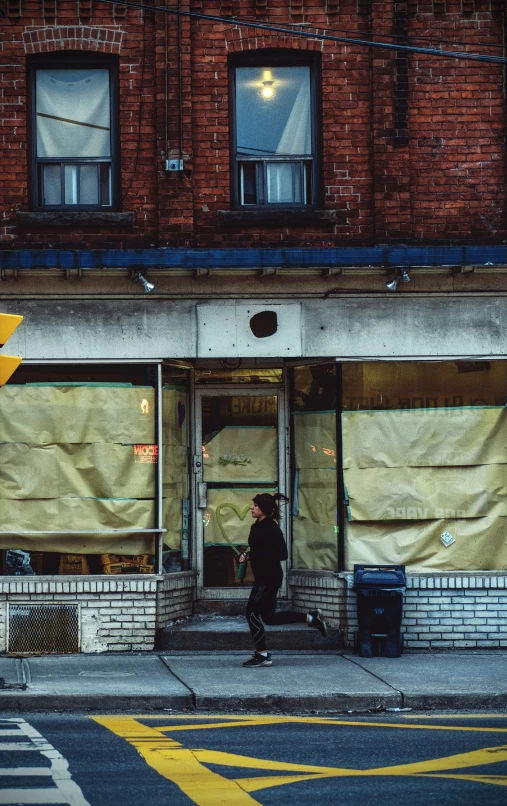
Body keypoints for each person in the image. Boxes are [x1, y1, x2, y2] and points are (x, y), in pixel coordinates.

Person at [241, 491, 327, 668]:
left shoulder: (272, 529)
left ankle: (262, 655)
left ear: (264, 509)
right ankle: (312, 618)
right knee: (269, 618)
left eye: (256, 506)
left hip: (268, 577)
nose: (252, 508)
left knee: (251, 613)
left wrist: (256, 554)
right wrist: (248, 555)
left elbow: (282, 554)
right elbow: (258, 548)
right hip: (263, 576)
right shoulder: (256, 526)